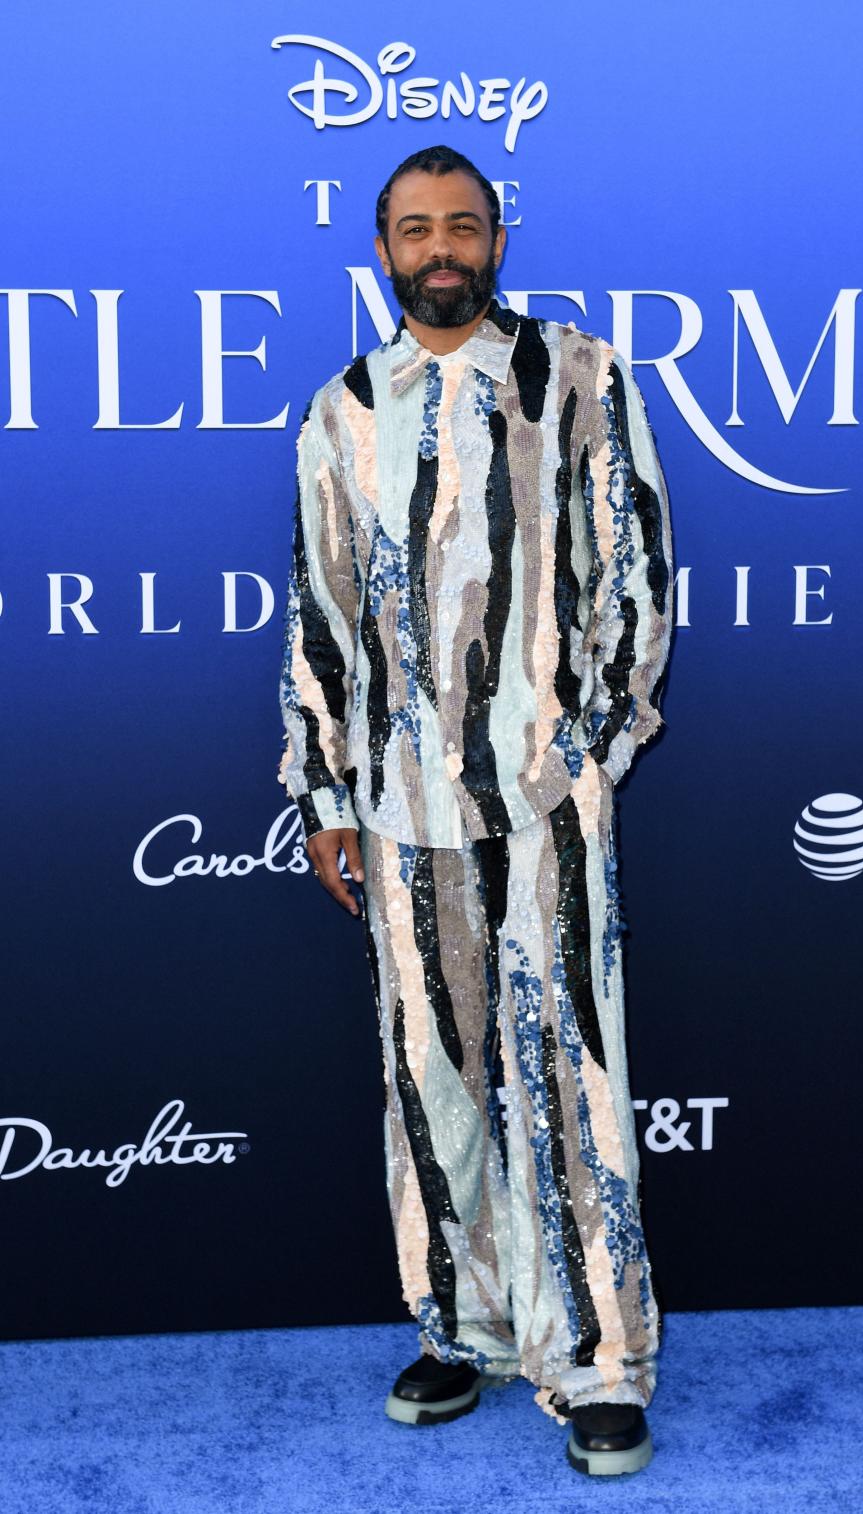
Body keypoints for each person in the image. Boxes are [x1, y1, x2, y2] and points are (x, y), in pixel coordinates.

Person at [278, 144, 674, 1478]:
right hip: (398, 810)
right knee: (432, 1079)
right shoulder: (341, 410)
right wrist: (326, 789)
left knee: (572, 1083)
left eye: (463, 225)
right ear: (380, 250)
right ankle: (467, 1322)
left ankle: (602, 1360)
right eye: (413, 229)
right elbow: (322, 613)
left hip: (545, 800)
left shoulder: (578, 377)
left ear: (498, 238)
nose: (439, 247)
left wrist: (593, 752)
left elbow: (633, 564)